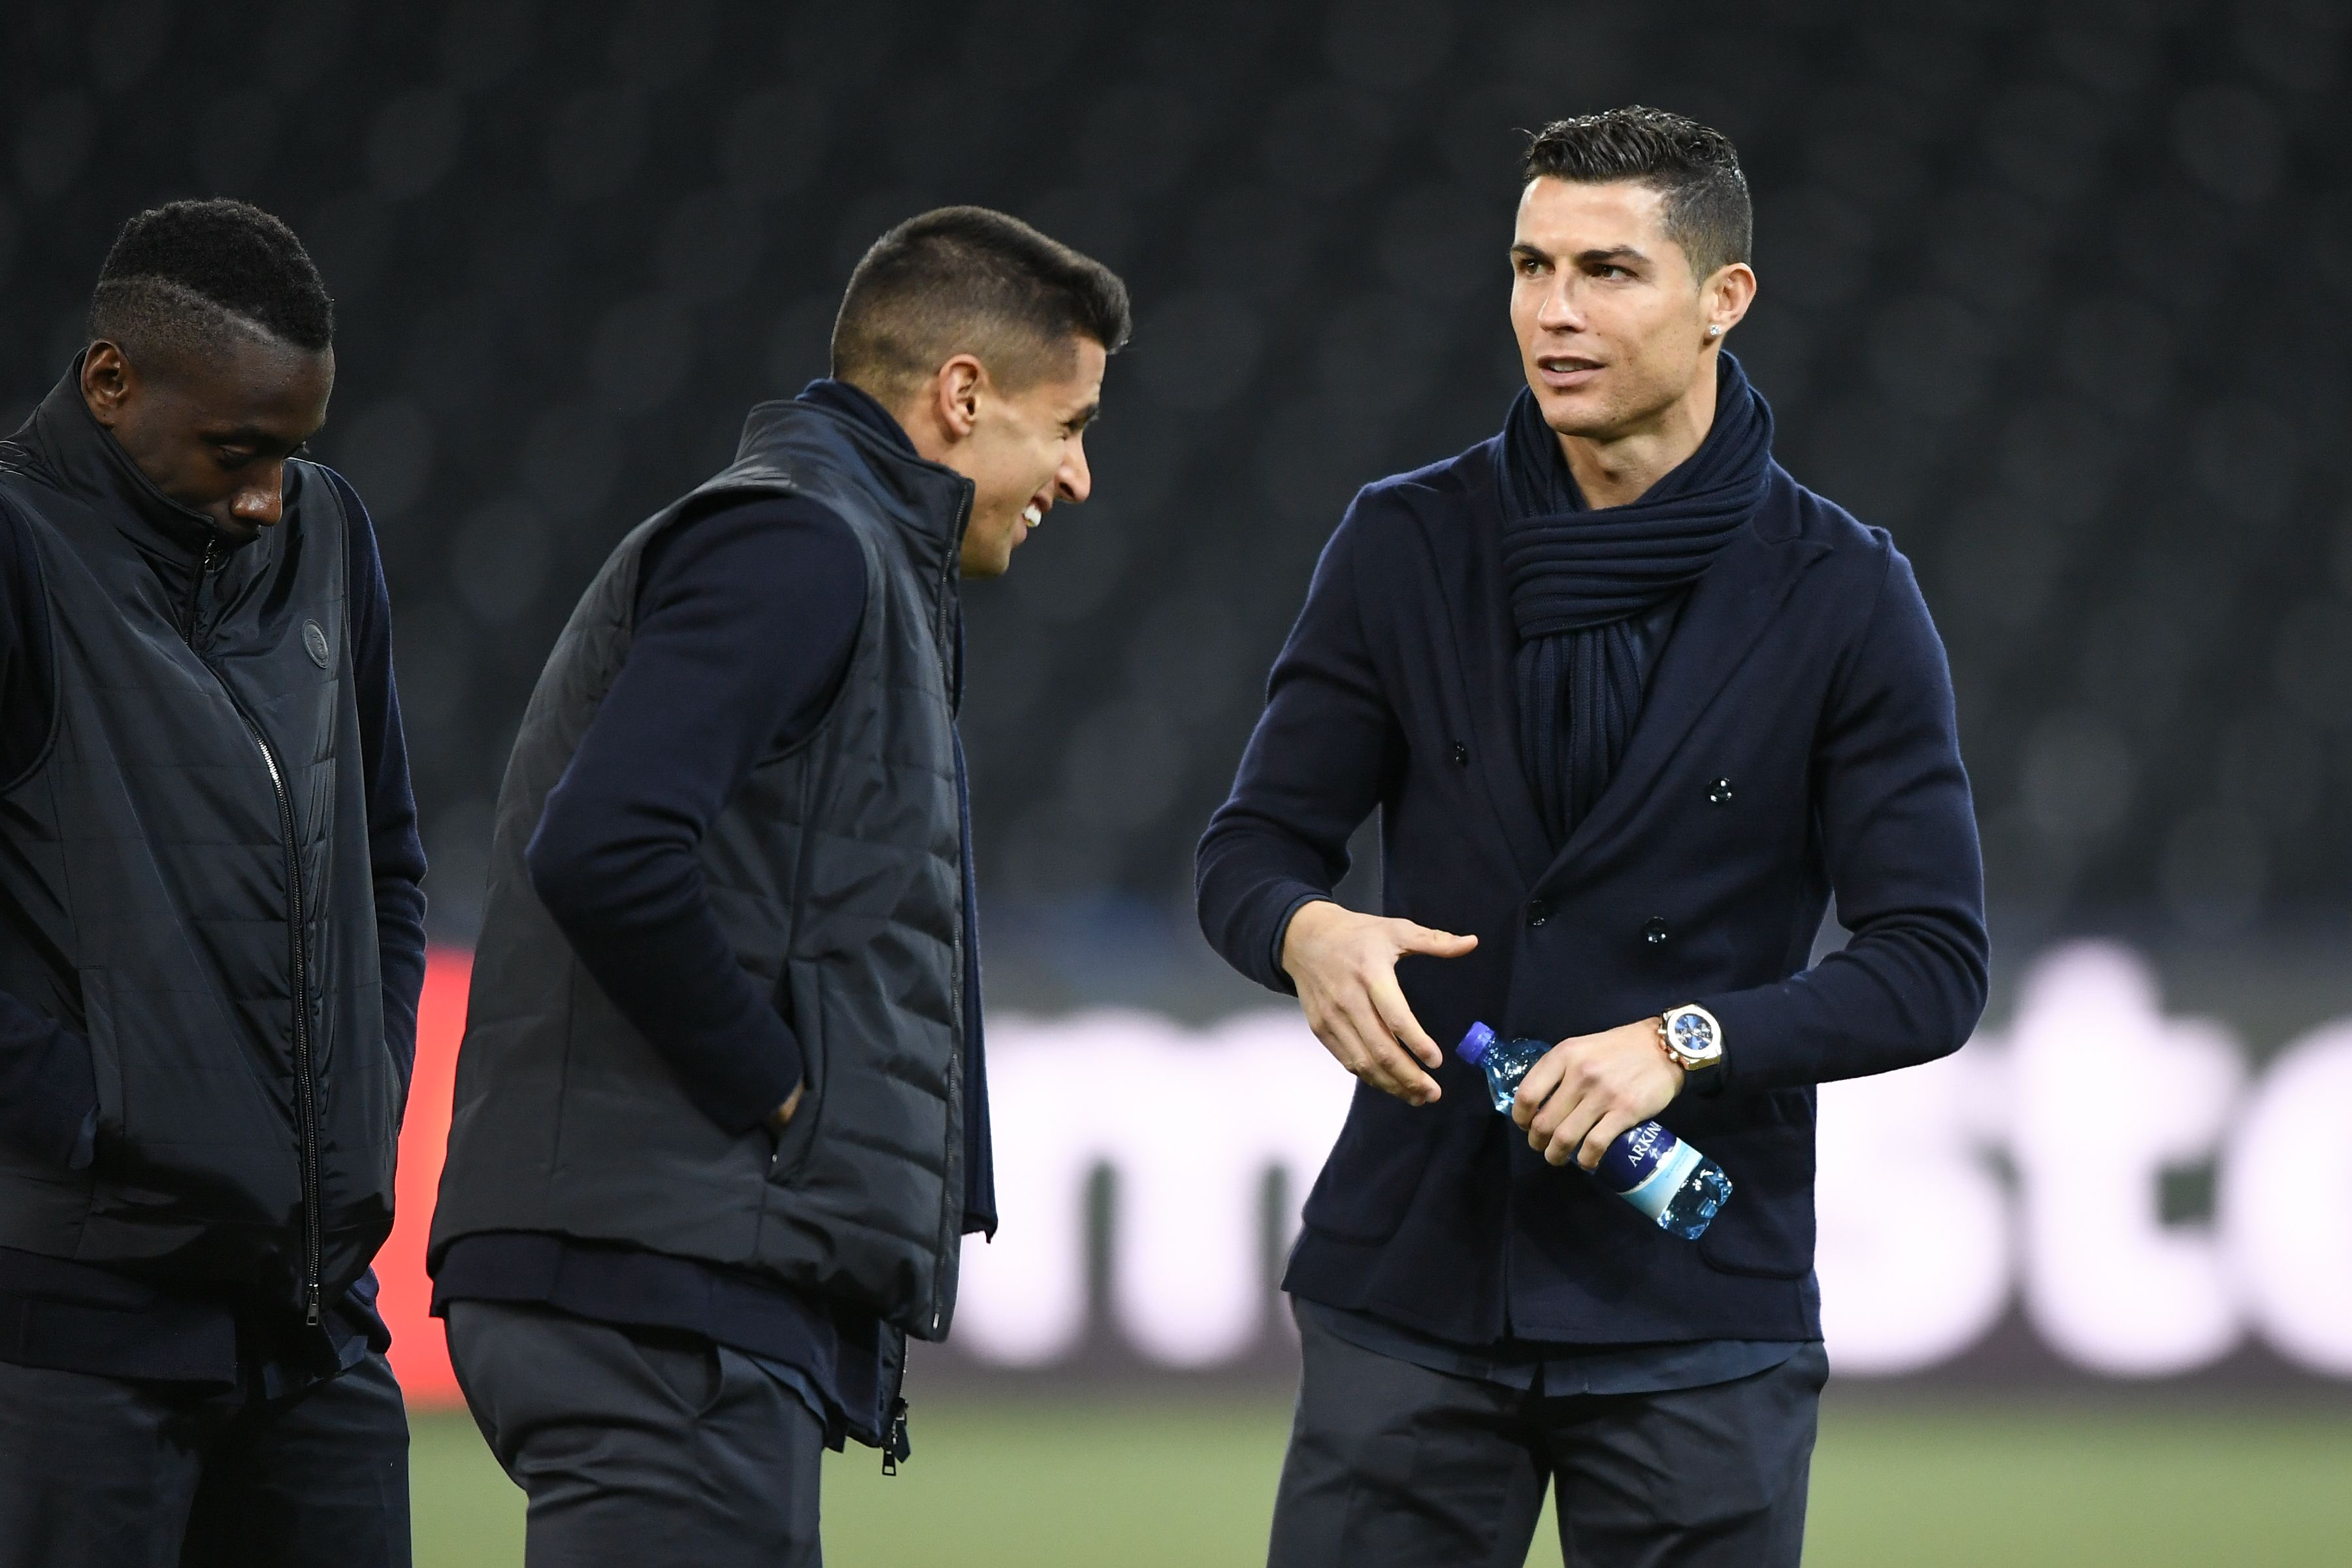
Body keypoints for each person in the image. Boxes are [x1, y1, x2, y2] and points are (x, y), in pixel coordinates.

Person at [1197, 107, 1989, 1567]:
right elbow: (1249, 852)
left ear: (1722, 300)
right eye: (1529, 265)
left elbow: (1932, 965)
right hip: (1412, 1288)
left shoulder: (1846, 595)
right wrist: (1304, 930)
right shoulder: (1405, 543)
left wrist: (1685, 1040)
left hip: (1692, 1308)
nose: (1553, 313)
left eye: (1610, 272)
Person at [429, 205, 1129, 1566]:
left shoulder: (836, 547)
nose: (1081, 475)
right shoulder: (801, 545)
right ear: (963, 394)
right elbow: (605, 847)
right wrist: (788, 1096)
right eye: (1071, 425)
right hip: (665, 1281)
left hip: (687, 1274)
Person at [0, 199, 428, 1567]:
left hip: (314, 1325)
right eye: (239, 452)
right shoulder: (17, 553)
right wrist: (101, 1114)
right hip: (71, 1326)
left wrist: (364, 1086)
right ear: (112, 381)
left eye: (292, 456)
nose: (264, 498)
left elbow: (388, 861)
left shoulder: (327, 536)